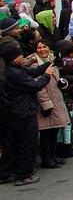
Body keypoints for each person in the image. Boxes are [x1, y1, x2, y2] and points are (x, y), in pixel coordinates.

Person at [0, 43, 55, 186]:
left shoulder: (16, 69)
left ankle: (5, 172)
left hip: (16, 112)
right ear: (13, 58)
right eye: (19, 55)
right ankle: (24, 174)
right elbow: (34, 85)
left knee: (12, 144)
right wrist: (47, 75)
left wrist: (47, 64)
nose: (22, 56)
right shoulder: (14, 74)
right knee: (27, 143)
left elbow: (34, 72)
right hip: (23, 112)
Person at [24, 41, 70, 169]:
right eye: (39, 47)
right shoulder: (34, 66)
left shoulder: (52, 61)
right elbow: (38, 87)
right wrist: (46, 104)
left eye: (45, 47)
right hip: (45, 103)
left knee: (54, 130)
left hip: (56, 99)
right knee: (46, 133)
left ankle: (53, 155)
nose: (42, 49)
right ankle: (47, 158)